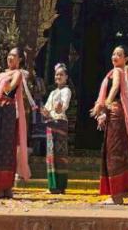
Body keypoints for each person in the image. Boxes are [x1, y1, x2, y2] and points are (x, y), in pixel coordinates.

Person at [91, 45, 128, 205]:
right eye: (113, 53)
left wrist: (105, 103)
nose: (115, 56)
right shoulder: (114, 72)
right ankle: (120, 191)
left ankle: (116, 196)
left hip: (116, 115)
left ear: (126, 58)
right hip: (116, 114)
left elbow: (114, 88)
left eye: (119, 54)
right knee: (117, 151)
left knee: (113, 153)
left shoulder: (119, 71)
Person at [0, 48, 35, 199]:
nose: (9, 58)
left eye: (13, 55)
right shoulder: (1, 74)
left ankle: (6, 185)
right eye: (8, 55)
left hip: (8, 112)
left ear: (19, 59)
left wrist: (3, 88)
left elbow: (10, 89)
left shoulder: (17, 73)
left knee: (7, 147)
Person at [41, 63, 72, 194]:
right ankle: (52, 186)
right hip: (51, 123)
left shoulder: (66, 91)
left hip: (60, 122)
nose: (58, 77)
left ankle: (60, 185)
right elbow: (47, 108)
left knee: (59, 154)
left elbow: (64, 105)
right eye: (56, 74)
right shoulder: (53, 92)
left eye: (61, 74)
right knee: (50, 154)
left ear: (66, 77)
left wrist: (60, 108)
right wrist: (44, 111)